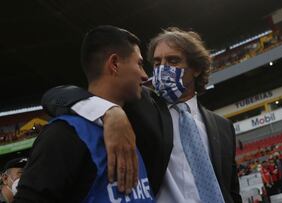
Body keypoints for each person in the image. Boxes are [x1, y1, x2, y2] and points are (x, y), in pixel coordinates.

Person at [41, 27, 241, 202]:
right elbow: (55, 96)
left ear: (196, 68)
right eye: (156, 63)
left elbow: (231, 192)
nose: (163, 69)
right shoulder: (139, 105)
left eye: (173, 60)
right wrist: (109, 111)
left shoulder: (223, 127)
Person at [14, 26, 154, 202]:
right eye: (139, 64)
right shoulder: (64, 133)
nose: (144, 75)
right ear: (115, 64)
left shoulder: (136, 121)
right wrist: (110, 111)